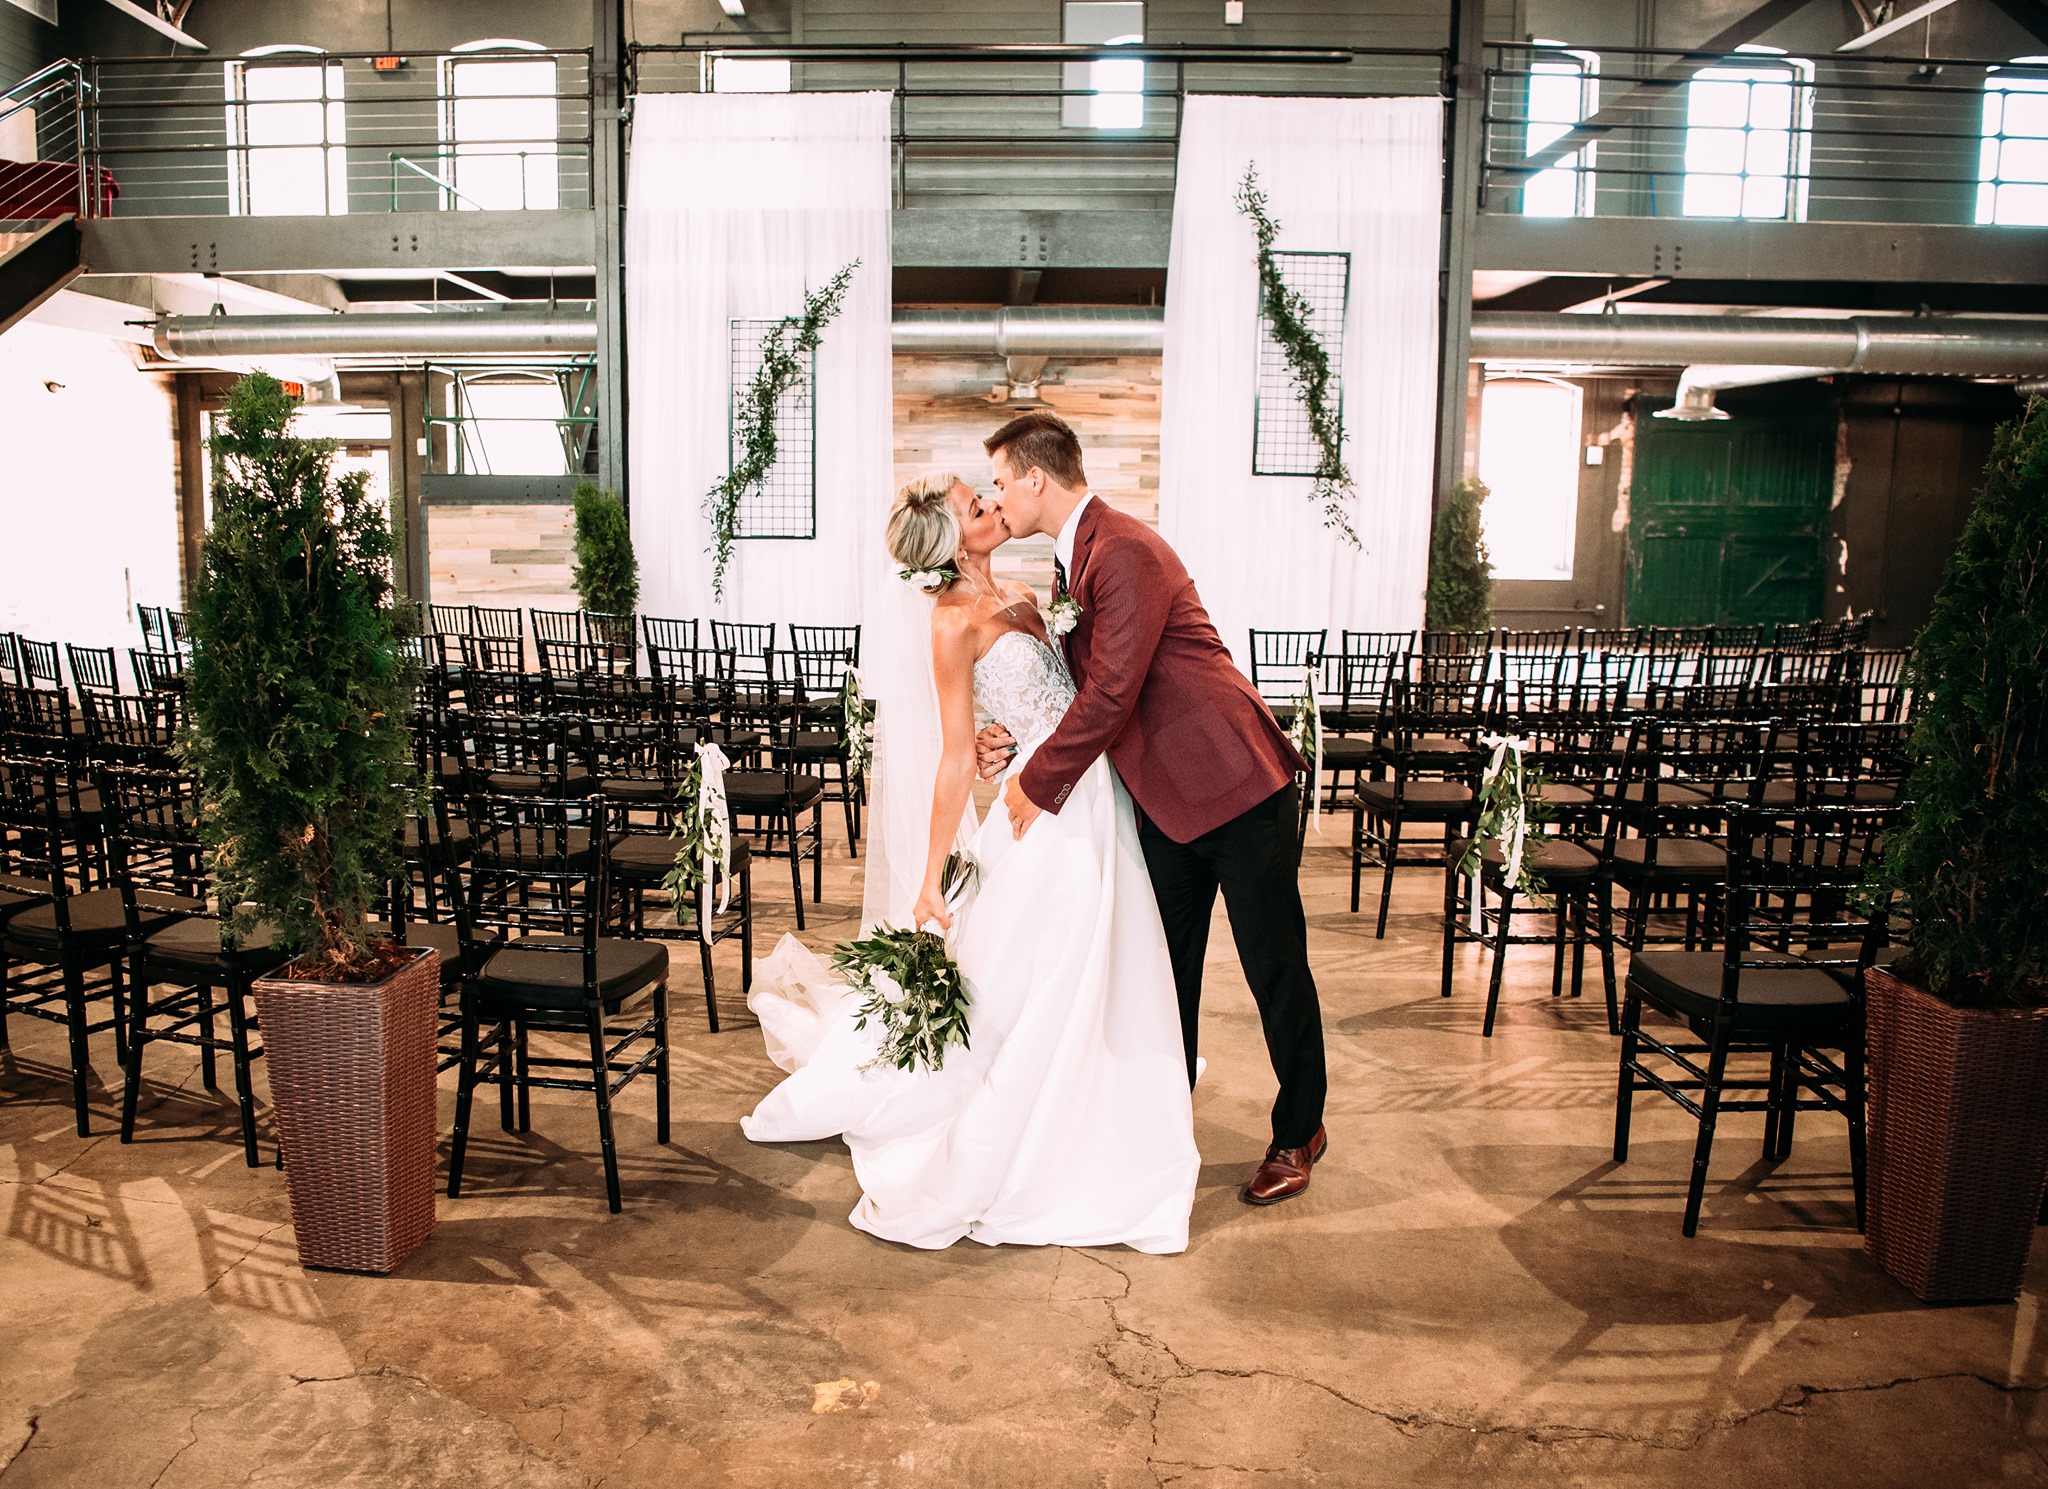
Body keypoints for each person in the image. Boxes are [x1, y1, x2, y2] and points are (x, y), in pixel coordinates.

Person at [739, 472, 1199, 1253]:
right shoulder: (951, 620)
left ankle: (1106, 1105)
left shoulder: (1024, 586)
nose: (990, 506)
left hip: (1092, 793)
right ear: (950, 544)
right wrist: (928, 879)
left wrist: (1016, 738)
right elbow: (956, 755)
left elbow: (1070, 695)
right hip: (1042, 814)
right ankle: (1048, 1137)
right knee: (1054, 969)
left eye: (983, 497)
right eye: (973, 506)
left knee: (1107, 961)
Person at [978, 410, 1329, 1205]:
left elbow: (1111, 691)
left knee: (1274, 963)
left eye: (1002, 481)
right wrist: (1003, 735)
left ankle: (1299, 1128)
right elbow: (1075, 685)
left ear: (1037, 477)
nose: (998, 498)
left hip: (1238, 785)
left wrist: (1037, 784)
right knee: (1166, 973)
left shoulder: (1123, 548)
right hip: (1164, 801)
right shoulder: (1075, 562)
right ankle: (1161, 1123)